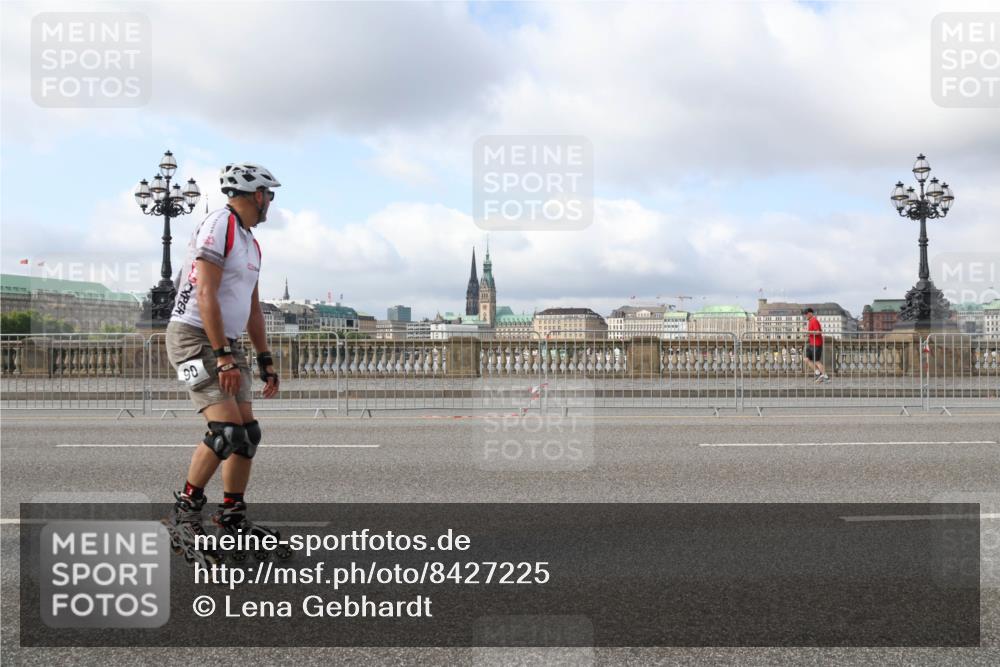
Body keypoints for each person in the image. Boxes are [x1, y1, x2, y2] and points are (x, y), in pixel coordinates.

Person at [163, 162, 283, 565]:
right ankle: (183, 515)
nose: (271, 202)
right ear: (255, 194)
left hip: (225, 343)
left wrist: (265, 359)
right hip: (191, 340)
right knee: (225, 431)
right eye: (269, 194)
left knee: (247, 434)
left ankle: (232, 517)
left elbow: (252, 308)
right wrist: (224, 357)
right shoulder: (221, 225)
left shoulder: (252, 242)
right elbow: (205, 295)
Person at [803, 307, 829, 383]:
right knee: (806, 359)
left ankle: (826, 377)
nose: (805, 315)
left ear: (810, 313)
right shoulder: (811, 321)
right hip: (812, 343)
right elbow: (813, 332)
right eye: (805, 314)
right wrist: (808, 334)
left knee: (817, 361)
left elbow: (818, 332)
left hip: (817, 344)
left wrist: (808, 332)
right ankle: (818, 374)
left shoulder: (814, 321)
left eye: (806, 314)